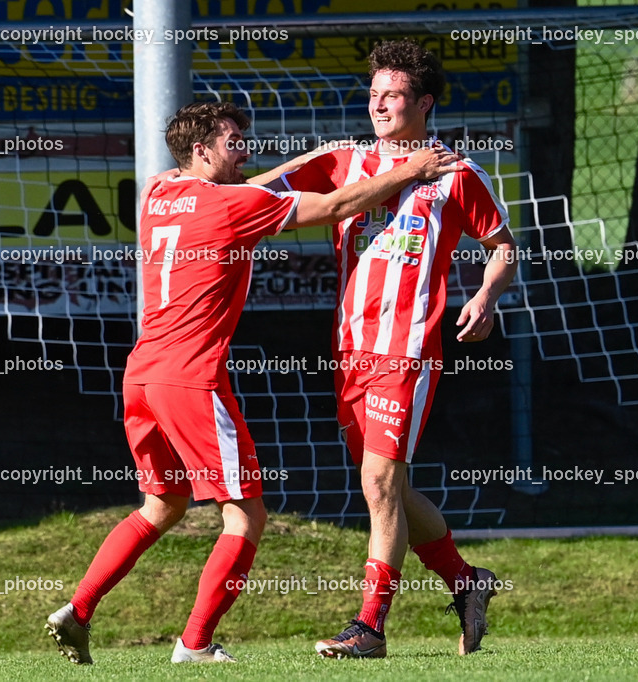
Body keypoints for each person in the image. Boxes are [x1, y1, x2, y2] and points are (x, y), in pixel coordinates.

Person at [46, 100, 461, 665]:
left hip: (141, 374)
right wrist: (410, 170)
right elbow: (337, 203)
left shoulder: (158, 192)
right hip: (192, 379)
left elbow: (241, 186)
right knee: (246, 515)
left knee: (160, 505)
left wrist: (315, 155)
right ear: (201, 148)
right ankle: (194, 644)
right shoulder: (233, 208)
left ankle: (78, 609)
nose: (244, 148)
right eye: (232, 139)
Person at [263, 39, 519, 658]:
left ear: (424, 103)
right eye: (373, 93)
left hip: (407, 350)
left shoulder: (457, 173)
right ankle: (467, 582)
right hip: (350, 351)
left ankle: (370, 626)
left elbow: (505, 249)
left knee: (379, 480)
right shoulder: (344, 160)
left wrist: (485, 296)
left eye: (393, 94)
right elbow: (261, 192)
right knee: (390, 488)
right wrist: (198, 186)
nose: (378, 104)